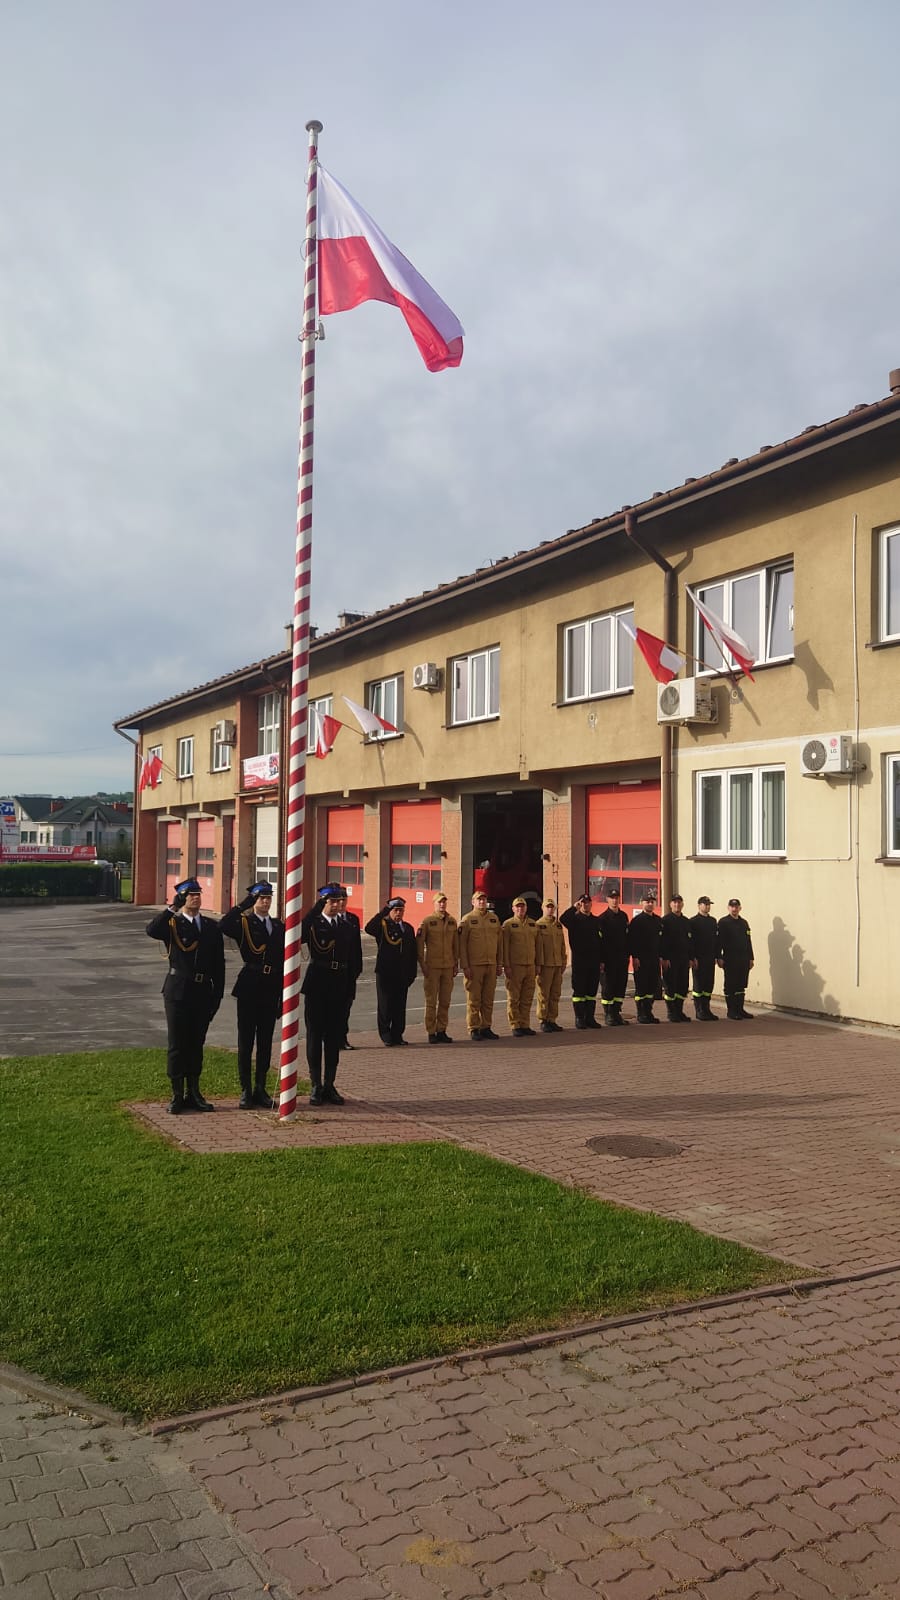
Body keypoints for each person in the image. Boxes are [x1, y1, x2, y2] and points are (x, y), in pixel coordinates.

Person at [146, 877, 225, 1113]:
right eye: (190, 895)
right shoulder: (172, 924)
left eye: (197, 894)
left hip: (202, 991)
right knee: (177, 1044)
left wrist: (217, 995)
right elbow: (152, 930)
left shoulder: (210, 926)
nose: (195, 898)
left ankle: (194, 1092)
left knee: (196, 1043)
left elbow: (218, 964)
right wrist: (172, 907)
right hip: (178, 991)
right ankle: (177, 1094)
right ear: (182, 898)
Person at [219, 880, 284, 1108]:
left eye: (268, 898)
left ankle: (260, 1088)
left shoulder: (277, 925)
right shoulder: (245, 923)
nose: (265, 902)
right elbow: (224, 925)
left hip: (271, 986)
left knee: (265, 1042)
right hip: (249, 985)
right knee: (246, 1041)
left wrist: (281, 995)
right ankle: (245, 1089)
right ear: (254, 900)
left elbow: (282, 959)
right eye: (261, 898)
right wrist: (242, 905)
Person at [301, 884, 355, 1104]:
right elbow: (298, 933)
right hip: (317, 983)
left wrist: (350, 988)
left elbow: (353, 959)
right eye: (331, 901)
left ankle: (330, 1084)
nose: (336, 905)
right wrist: (316, 908)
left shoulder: (347, 926)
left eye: (339, 901)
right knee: (315, 1036)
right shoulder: (314, 924)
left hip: (339, 983)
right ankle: (316, 1084)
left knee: (333, 1037)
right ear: (323, 902)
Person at [365, 897, 418, 1046]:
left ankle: (397, 1034)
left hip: (402, 973)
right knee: (385, 1005)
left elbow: (412, 952)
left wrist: (412, 974)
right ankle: (386, 1035)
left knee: (399, 1006)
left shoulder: (407, 928)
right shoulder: (383, 926)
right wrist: (384, 912)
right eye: (395, 910)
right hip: (385, 972)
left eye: (401, 910)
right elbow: (369, 928)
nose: (398, 913)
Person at [458, 889, 503, 1040]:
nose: (482, 902)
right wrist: (465, 966)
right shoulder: (467, 920)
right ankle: (473, 1028)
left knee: (488, 999)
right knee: (474, 999)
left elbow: (500, 944)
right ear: (473, 902)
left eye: (484, 899)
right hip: (474, 965)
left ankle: (486, 1027)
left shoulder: (494, 919)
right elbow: (462, 945)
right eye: (479, 899)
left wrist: (499, 964)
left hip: (491, 964)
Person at [416, 891, 459, 1043]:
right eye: (439, 902)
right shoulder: (428, 921)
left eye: (444, 902)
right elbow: (419, 944)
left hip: (448, 966)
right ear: (434, 904)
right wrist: (423, 964)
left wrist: (456, 963)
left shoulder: (452, 921)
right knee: (431, 1001)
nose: (442, 904)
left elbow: (455, 945)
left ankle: (442, 1030)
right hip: (432, 967)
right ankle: (431, 1031)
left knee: (445, 1001)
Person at [559, 893, 603, 1029]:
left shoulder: (596, 921)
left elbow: (601, 942)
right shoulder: (574, 920)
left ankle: (590, 1018)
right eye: (583, 902)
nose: (586, 905)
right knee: (579, 991)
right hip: (580, 961)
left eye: (588, 902)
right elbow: (563, 919)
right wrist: (574, 908)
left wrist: (601, 960)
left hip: (594, 961)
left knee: (591, 991)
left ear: (591, 904)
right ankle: (579, 1018)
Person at [501, 896, 538, 1036]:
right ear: (513, 909)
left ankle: (525, 1024)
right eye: (517, 906)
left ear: (526, 908)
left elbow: (537, 946)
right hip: (515, 966)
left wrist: (538, 964)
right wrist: (506, 965)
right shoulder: (508, 924)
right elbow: (504, 947)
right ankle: (515, 1024)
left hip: (530, 966)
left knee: (527, 997)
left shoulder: (533, 924)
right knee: (514, 998)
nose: (520, 909)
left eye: (522, 906)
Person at [627, 890, 663, 1023]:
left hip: (654, 959)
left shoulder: (658, 921)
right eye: (647, 902)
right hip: (641, 960)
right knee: (641, 987)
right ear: (642, 903)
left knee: (652, 987)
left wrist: (661, 956)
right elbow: (632, 941)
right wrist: (635, 957)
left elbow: (661, 941)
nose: (650, 904)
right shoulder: (637, 921)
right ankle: (641, 1013)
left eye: (652, 902)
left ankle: (648, 1012)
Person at [717, 897, 755, 1020]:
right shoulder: (723, 922)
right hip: (730, 959)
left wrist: (751, 958)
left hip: (743, 959)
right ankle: (731, 1011)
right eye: (732, 907)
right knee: (730, 985)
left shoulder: (744, 923)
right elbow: (719, 941)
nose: (734, 909)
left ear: (740, 908)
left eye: (736, 907)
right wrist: (719, 957)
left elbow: (748, 941)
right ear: (728, 908)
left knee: (741, 985)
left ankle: (740, 1009)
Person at [597, 887, 630, 1026]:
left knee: (620, 987)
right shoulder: (602, 919)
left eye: (616, 898)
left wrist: (628, 955)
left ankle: (616, 1014)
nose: (615, 900)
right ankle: (608, 1014)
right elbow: (599, 942)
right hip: (608, 960)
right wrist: (601, 960)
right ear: (607, 900)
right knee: (608, 987)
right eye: (612, 898)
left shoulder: (624, 917)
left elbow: (627, 938)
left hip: (622, 959)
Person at [660, 893, 695, 1023]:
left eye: (679, 902)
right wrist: (664, 958)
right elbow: (662, 941)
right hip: (670, 960)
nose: (677, 904)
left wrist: (691, 958)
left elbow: (690, 941)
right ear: (670, 905)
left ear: (682, 904)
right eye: (674, 902)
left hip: (684, 959)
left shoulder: (686, 922)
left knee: (682, 986)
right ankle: (671, 1012)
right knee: (671, 986)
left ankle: (679, 1012)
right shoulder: (665, 921)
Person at [534, 898, 567, 1032]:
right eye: (547, 907)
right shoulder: (538, 925)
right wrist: (538, 964)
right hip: (545, 965)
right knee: (544, 994)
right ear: (543, 908)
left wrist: (564, 961)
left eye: (552, 907)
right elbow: (536, 947)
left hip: (557, 964)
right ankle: (543, 1019)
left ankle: (552, 1019)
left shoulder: (558, 925)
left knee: (555, 993)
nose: (550, 909)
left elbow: (562, 945)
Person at [337, 887, 363, 1049]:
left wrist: (357, 968)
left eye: (344, 899)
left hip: (349, 971)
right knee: (333, 1007)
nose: (341, 902)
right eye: (338, 899)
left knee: (346, 1006)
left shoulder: (353, 919)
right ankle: (331, 1037)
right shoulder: (328, 920)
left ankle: (342, 1037)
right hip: (334, 971)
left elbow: (357, 947)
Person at [689, 895, 720, 1020]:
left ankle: (707, 1010)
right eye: (705, 904)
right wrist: (693, 957)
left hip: (710, 958)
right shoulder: (693, 921)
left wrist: (717, 956)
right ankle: (699, 1011)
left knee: (708, 985)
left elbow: (716, 940)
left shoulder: (713, 921)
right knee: (699, 985)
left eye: (709, 905)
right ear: (699, 905)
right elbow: (691, 942)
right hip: (698, 959)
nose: (707, 907)